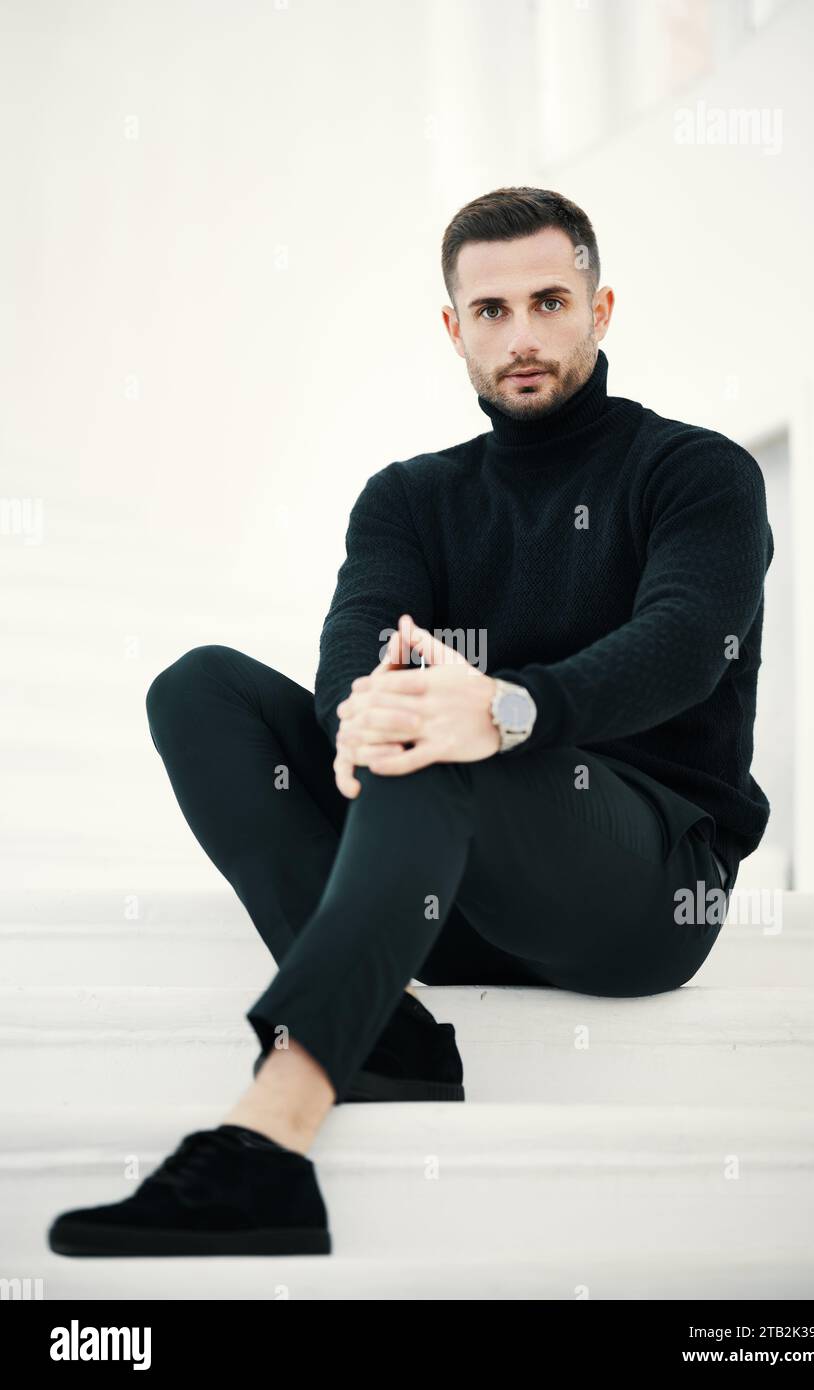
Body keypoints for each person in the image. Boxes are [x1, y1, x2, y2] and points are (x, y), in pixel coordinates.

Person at [48, 186, 772, 1258]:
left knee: (440, 722)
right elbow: (357, 645)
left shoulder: (695, 473)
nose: (521, 336)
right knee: (203, 687)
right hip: (444, 876)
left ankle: (267, 1140)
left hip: (644, 885)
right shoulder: (410, 497)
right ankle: (384, 1035)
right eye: (490, 311)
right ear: (454, 329)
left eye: (548, 301)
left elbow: (681, 642)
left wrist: (510, 707)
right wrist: (356, 717)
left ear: (601, 308)